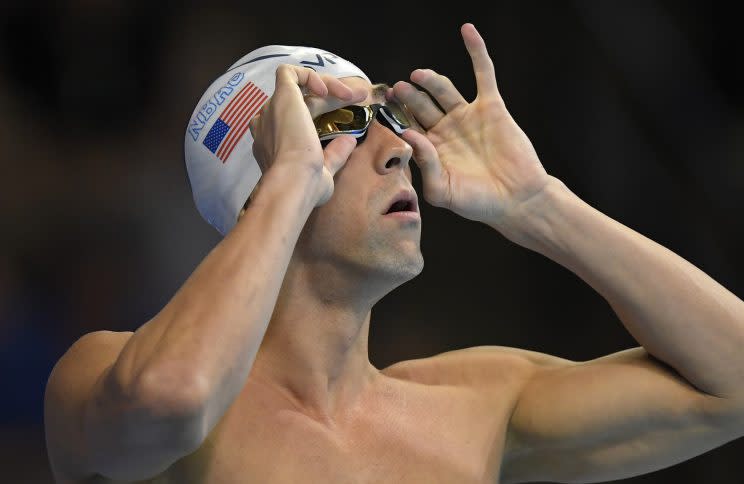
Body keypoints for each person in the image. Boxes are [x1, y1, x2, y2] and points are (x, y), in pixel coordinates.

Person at [44, 23, 744, 483]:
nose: (399, 149)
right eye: (345, 126)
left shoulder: (475, 406)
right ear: (260, 187)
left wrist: (542, 208)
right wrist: (289, 185)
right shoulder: (106, 374)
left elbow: (734, 382)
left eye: (391, 118)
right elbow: (172, 398)